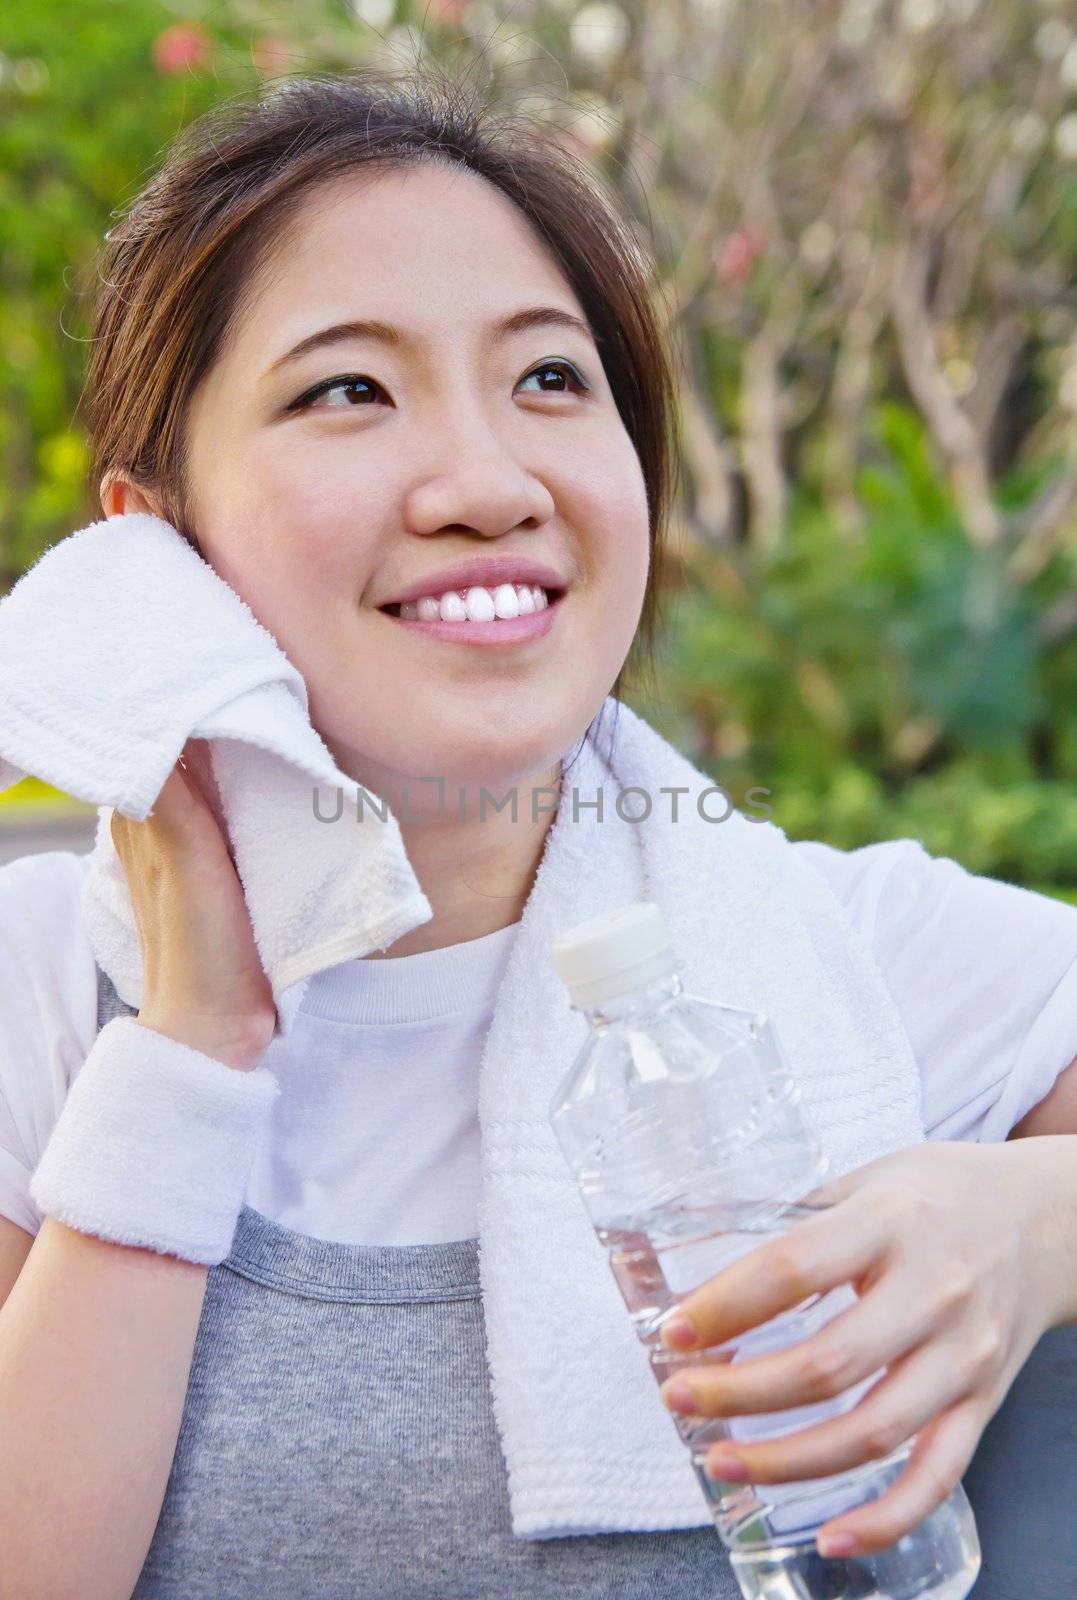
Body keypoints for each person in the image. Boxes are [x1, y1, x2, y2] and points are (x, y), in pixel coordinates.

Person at [0, 67, 1074, 1600]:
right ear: (152, 545)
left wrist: (1034, 1219)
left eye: (550, 381)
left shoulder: (858, 956)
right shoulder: (40, 997)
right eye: (346, 389)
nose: (488, 483)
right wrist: (186, 1052)